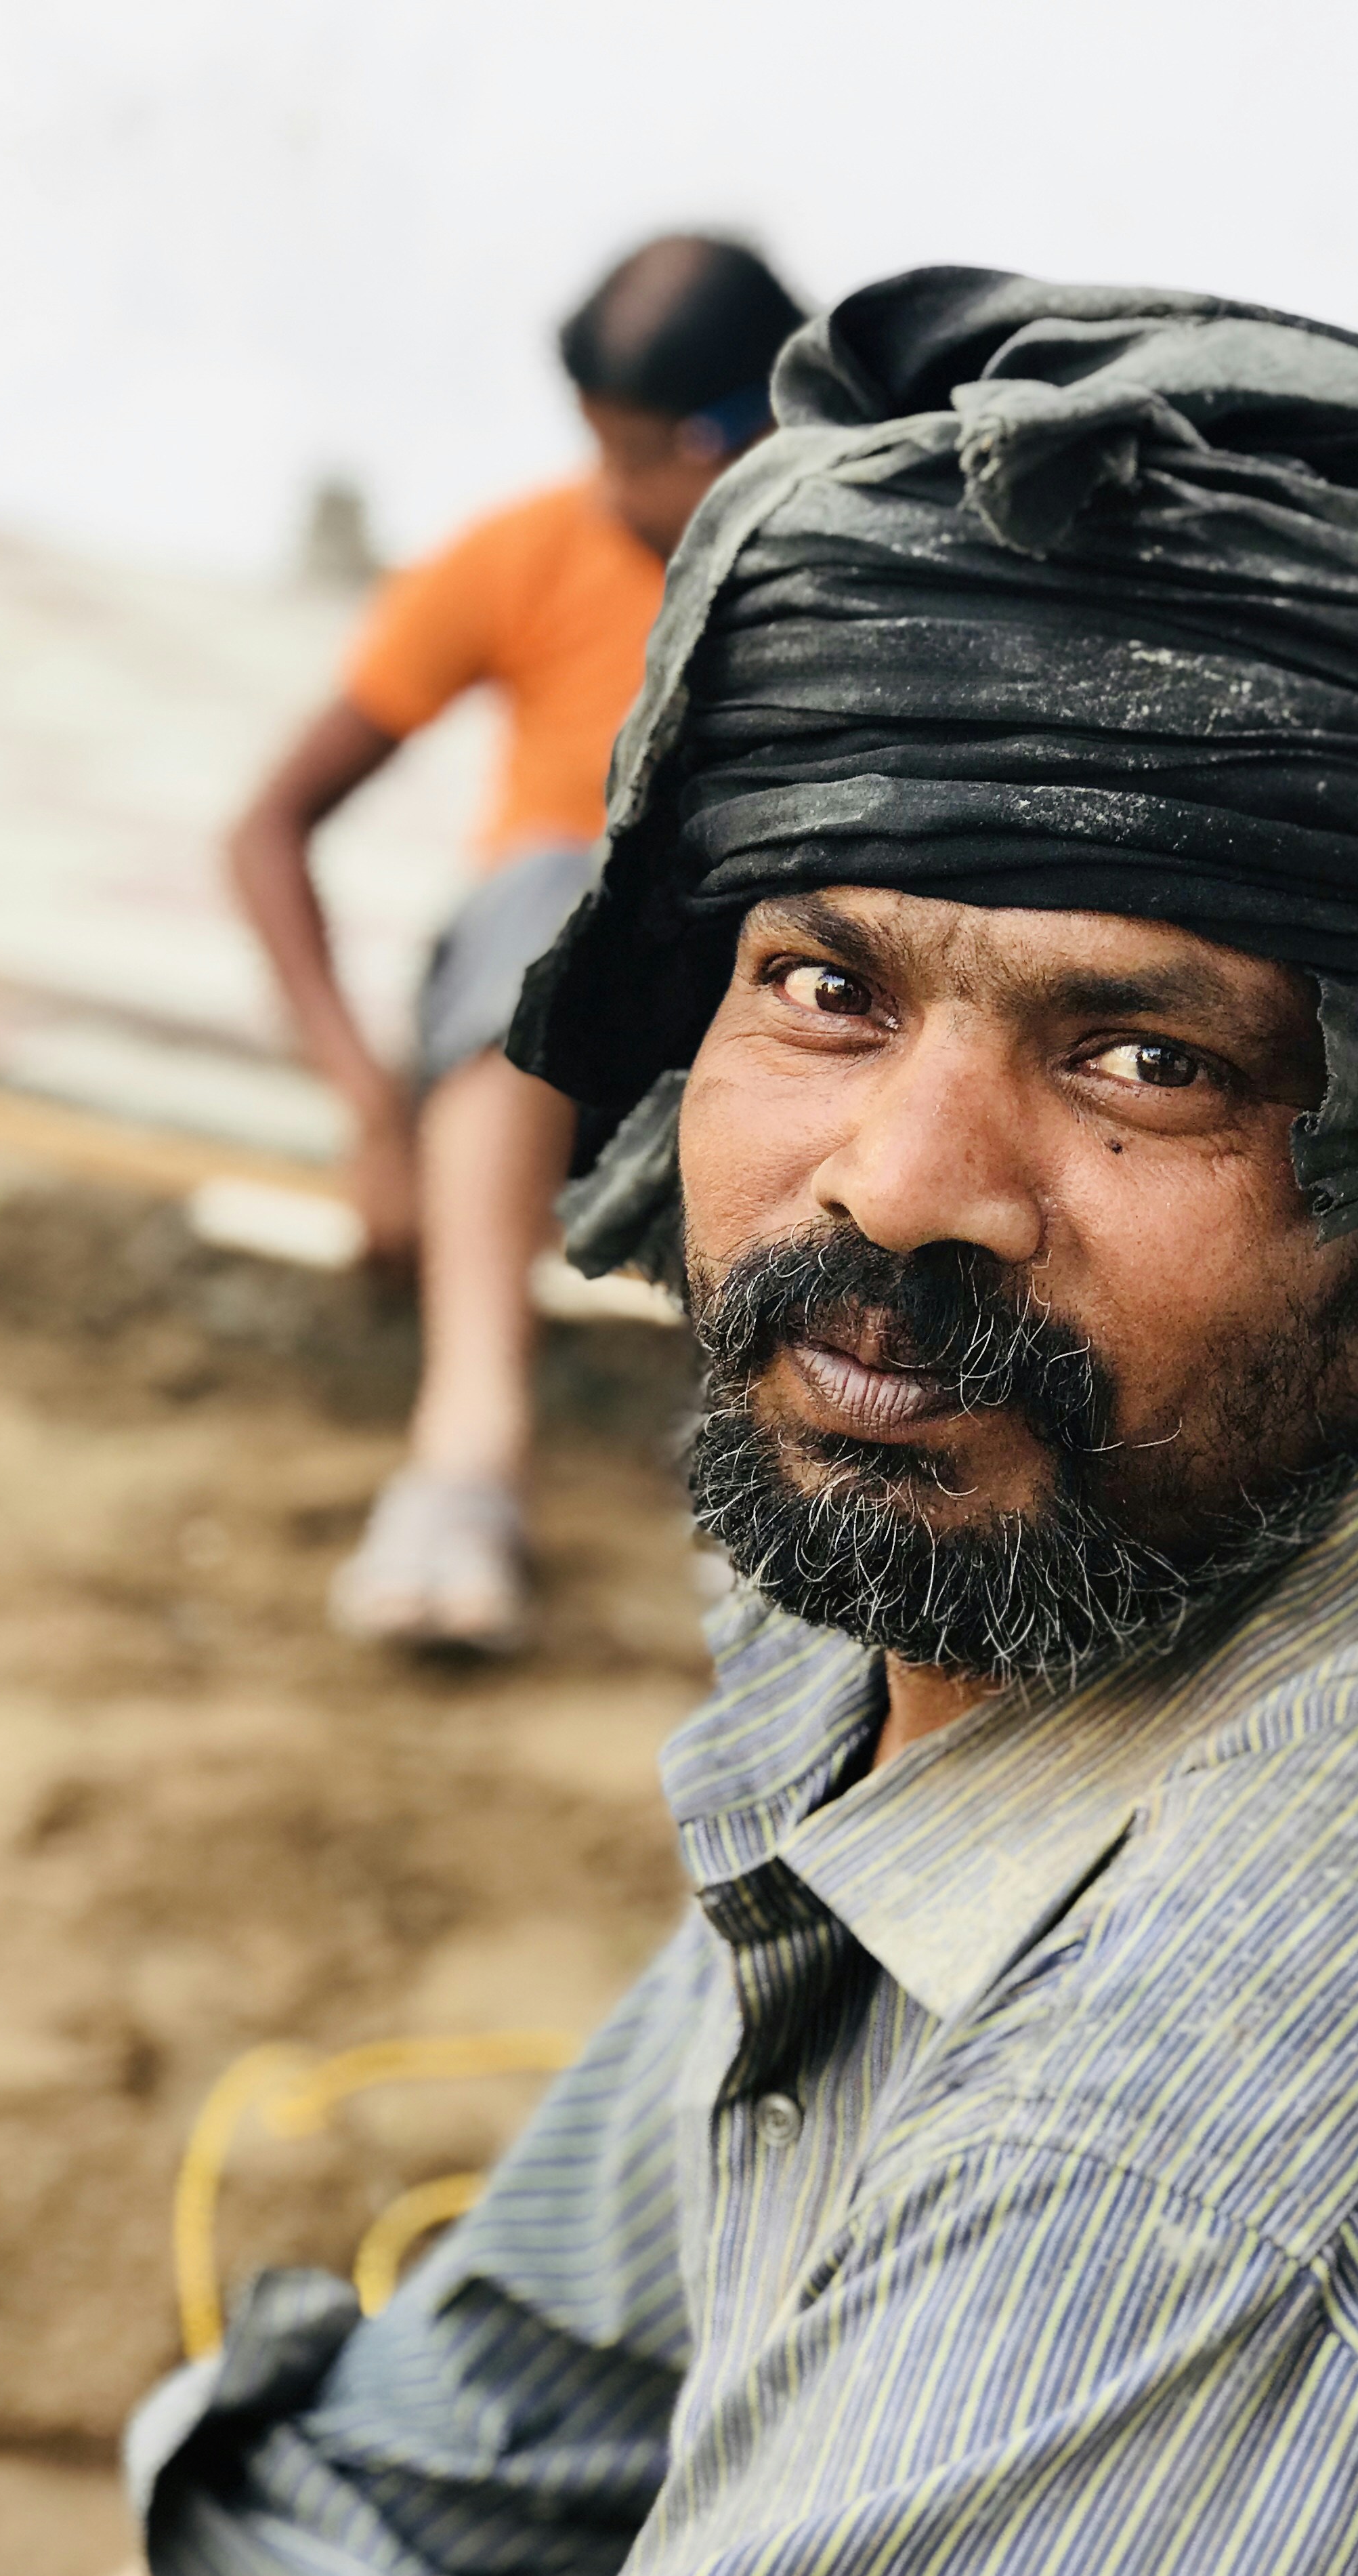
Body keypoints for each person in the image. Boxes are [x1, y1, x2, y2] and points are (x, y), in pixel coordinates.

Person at [0, 270, 1358, 2576]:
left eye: (1143, 1056)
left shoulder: (1223, 2145)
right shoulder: (938, 1606)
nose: (895, 1190)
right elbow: (496, 2437)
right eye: (827, 988)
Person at [230, 232, 803, 1649]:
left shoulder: (834, 583)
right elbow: (268, 830)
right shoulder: (525, 554)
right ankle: (465, 1453)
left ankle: (782, 1504)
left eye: (643, 453)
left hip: (745, 1038)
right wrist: (371, 1115)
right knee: (562, 889)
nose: (614, 490)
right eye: (595, 448)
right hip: (536, 1031)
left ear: (760, 427)